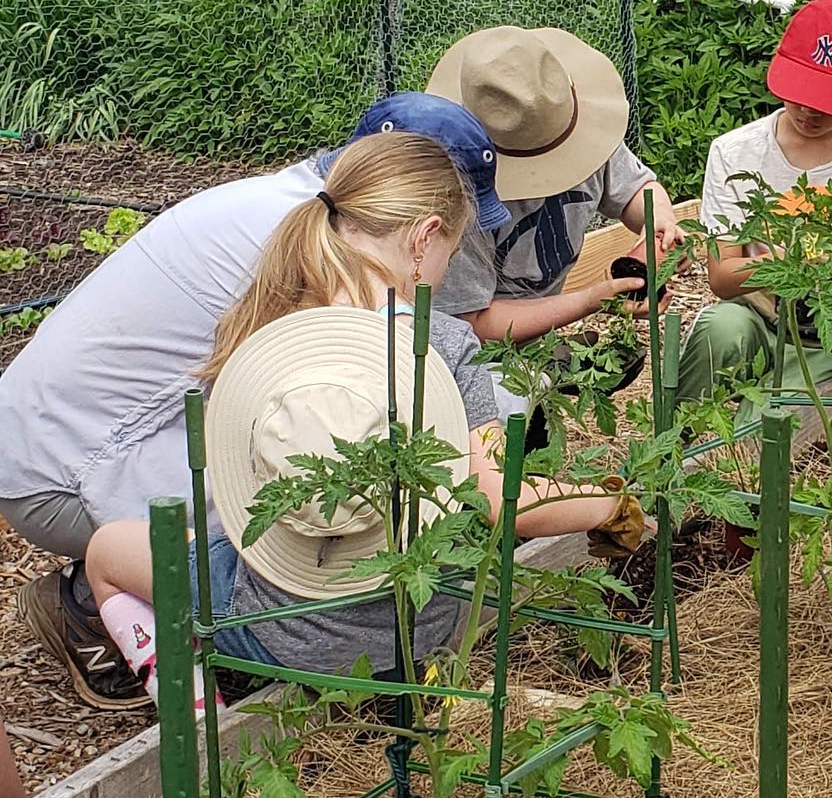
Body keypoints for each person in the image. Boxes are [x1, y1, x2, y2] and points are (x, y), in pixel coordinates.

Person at [79, 132, 643, 706]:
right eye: (452, 252)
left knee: (106, 551)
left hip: (279, 633)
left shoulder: (268, 324)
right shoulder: (441, 344)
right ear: (425, 238)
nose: (448, 271)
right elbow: (496, 497)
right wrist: (608, 503)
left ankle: (199, 712)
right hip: (417, 634)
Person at [2, 92, 512, 707]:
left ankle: (247, 631)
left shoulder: (318, 222)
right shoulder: (295, 242)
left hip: (108, 432)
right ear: (421, 225)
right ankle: (87, 606)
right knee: (304, 451)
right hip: (65, 470)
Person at [675, 0, 832, 409]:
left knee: (771, 415)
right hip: (756, 319)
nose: (808, 109)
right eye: (801, 89)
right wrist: (791, 268)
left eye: (828, 99)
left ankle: (749, 444)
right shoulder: (736, 153)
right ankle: (673, 451)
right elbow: (721, 276)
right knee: (720, 329)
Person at [425, 26, 683, 343]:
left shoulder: (580, 132)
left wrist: (660, 221)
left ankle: (549, 360)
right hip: (473, 352)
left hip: (536, 329)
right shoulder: (454, 197)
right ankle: (547, 367)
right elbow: (471, 322)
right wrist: (589, 301)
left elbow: (635, 190)